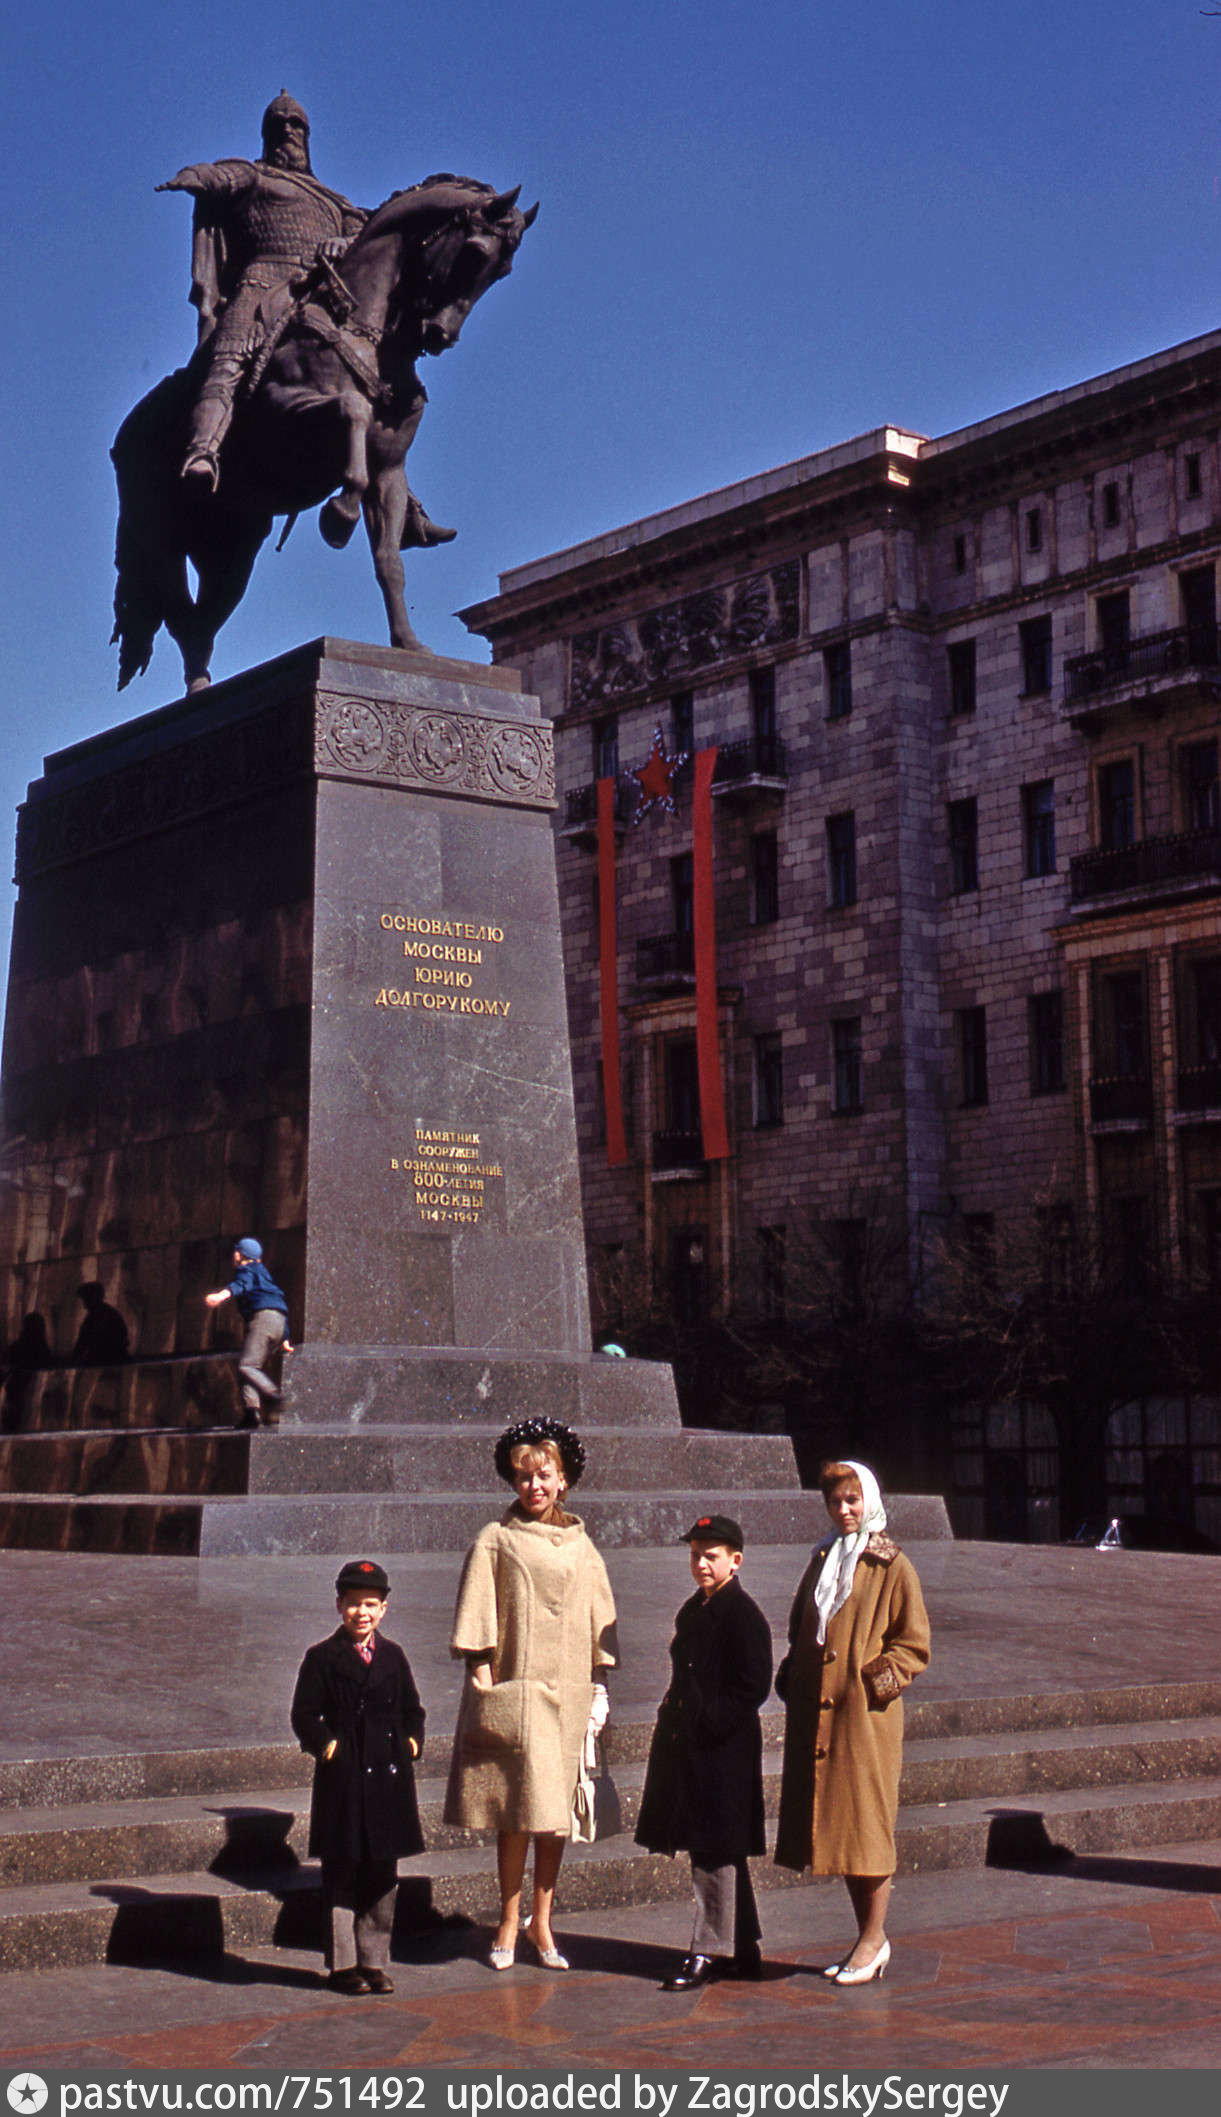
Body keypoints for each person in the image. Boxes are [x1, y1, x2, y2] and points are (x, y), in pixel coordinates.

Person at [443, 1416, 618, 1972]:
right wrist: (484, 1679)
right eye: (524, 1478)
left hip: (567, 1691)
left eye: (545, 1476)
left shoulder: (583, 1544)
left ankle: (542, 1921)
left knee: (553, 1815)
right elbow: (477, 1615)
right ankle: (506, 1920)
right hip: (518, 1689)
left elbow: (600, 1621)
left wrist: (599, 1686)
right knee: (516, 1812)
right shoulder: (495, 1539)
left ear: (563, 1480)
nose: (534, 1487)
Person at [158, 93, 366, 490]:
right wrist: (196, 176)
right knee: (227, 360)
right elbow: (222, 177)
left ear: (306, 135)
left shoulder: (334, 201)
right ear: (266, 134)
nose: (287, 130)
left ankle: (400, 495)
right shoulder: (255, 175)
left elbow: (364, 235)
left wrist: (345, 244)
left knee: (378, 360)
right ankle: (203, 449)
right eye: (278, 124)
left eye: (295, 124)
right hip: (261, 285)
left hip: (323, 292)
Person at [774, 1459, 930, 1985]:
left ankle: (873, 1939)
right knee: (838, 1826)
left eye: (852, 1501)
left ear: (870, 1500)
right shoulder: (822, 1556)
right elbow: (803, 1621)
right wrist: (795, 1674)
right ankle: (867, 1937)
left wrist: (871, 1683)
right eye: (835, 1502)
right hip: (820, 1716)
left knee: (867, 1827)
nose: (844, 1511)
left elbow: (913, 1644)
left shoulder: (891, 1563)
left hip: (864, 1719)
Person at [636, 1513, 772, 1991]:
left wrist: (712, 1721)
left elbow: (754, 1683)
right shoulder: (695, 1609)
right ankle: (744, 1946)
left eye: (711, 1557)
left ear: (735, 1561)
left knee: (714, 1847)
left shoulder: (742, 1613)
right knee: (718, 1844)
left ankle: (709, 1949)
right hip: (692, 1746)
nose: (701, 1565)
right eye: (695, 1556)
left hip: (723, 1751)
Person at [290, 1559, 425, 1993]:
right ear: (338, 1606)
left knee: (382, 1875)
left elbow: (412, 1709)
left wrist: (412, 1742)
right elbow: (305, 1714)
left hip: (387, 1781)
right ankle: (343, 1965)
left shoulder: (394, 1657)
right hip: (345, 1781)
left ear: (384, 1608)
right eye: (352, 1604)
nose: (361, 1613)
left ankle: (373, 1959)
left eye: (370, 1604)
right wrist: (328, 1745)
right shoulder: (321, 1658)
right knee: (343, 1871)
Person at [204, 1236, 292, 1427]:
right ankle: (251, 1414)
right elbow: (278, 1300)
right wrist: (285, 1335)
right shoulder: (265, 1275)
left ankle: (274, 1397)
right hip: (278, 1322)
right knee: (249, 1368)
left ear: (240, 1254)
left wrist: (220, 1296)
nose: (233, 1256)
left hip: (263, 1320)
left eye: (236, 1252)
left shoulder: (247, 1271)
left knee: (248, 1366)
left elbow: (242, 1285)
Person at [71, 1283, 130, 1365]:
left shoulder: (98, 1316)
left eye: (86, 1299)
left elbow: (84, 1341)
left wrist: (74, 1358)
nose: (84, 1305)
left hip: (107, 1358)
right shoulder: (106, 1313)